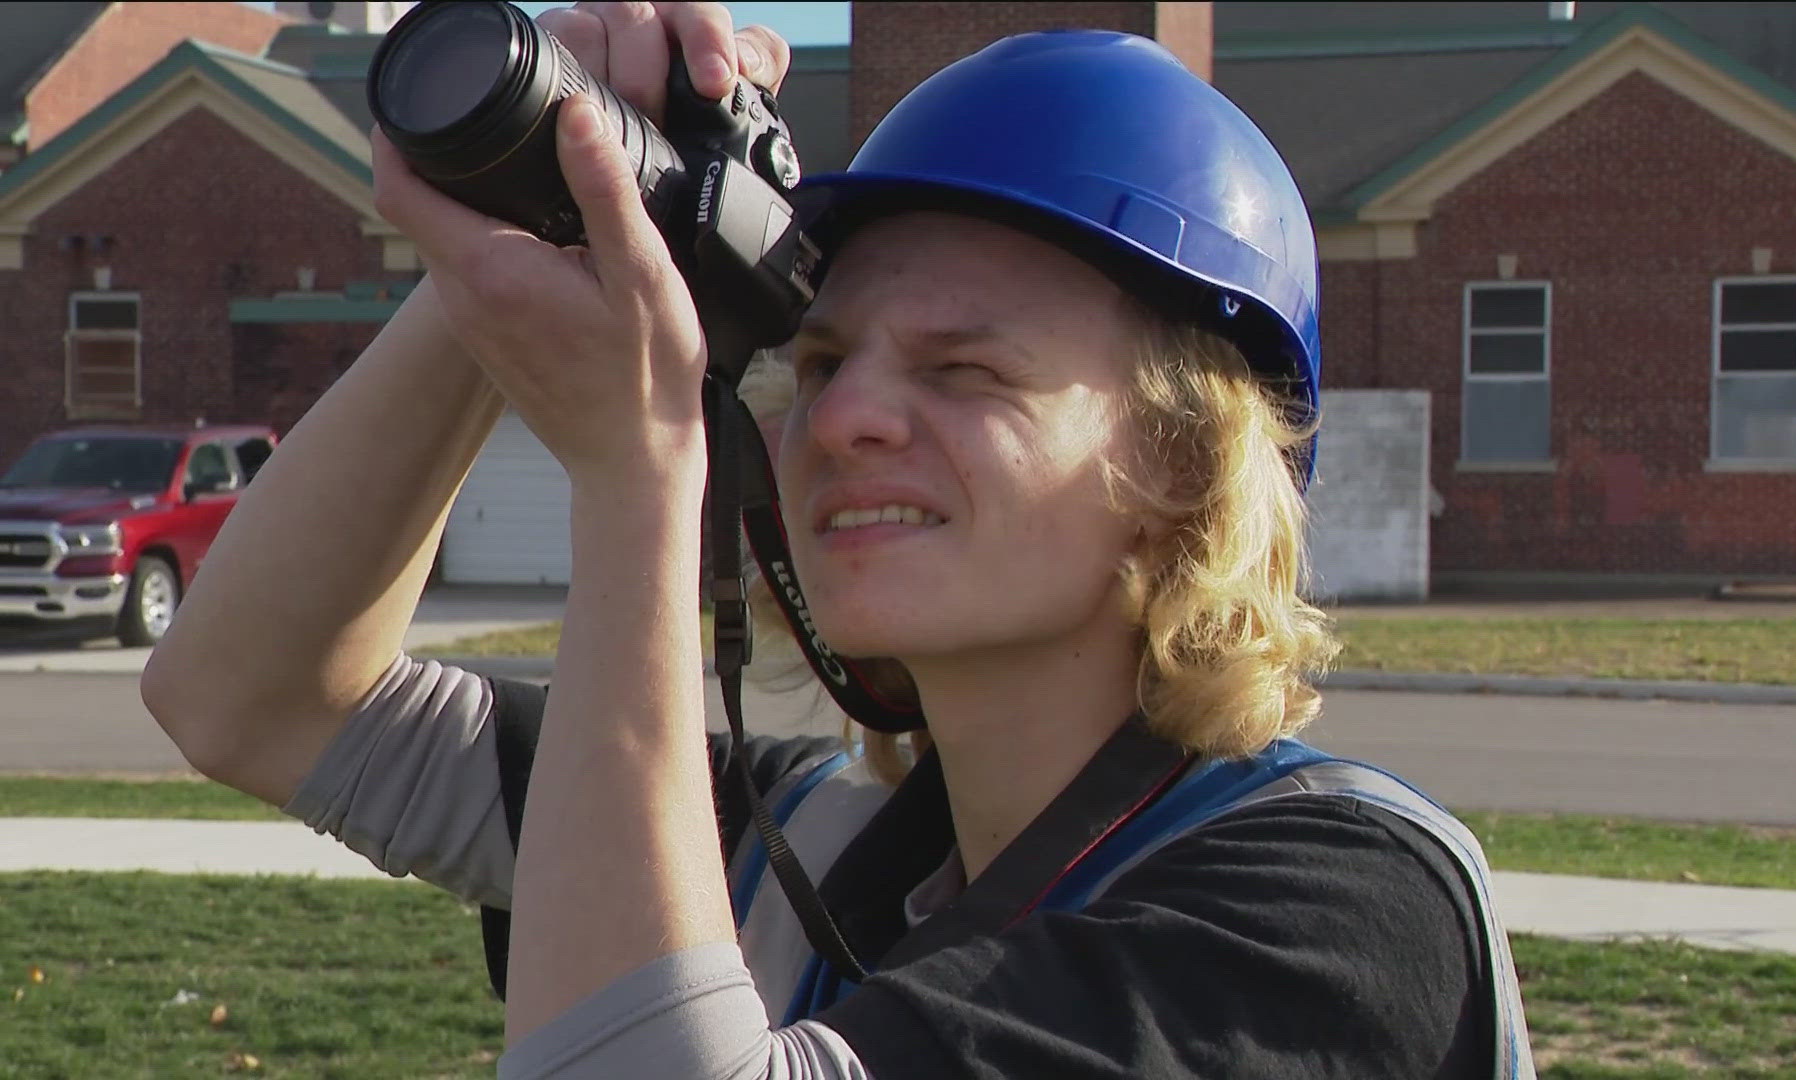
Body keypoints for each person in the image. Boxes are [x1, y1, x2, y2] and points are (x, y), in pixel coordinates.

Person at [143, 4, 1537, 1077]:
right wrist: (547, 216)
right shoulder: (803, 837)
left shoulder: (1338, 908)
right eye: (820, 361)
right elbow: (247, 693)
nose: (845, 418)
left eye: (966, 371)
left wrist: (638, 478)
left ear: (1183, 464)